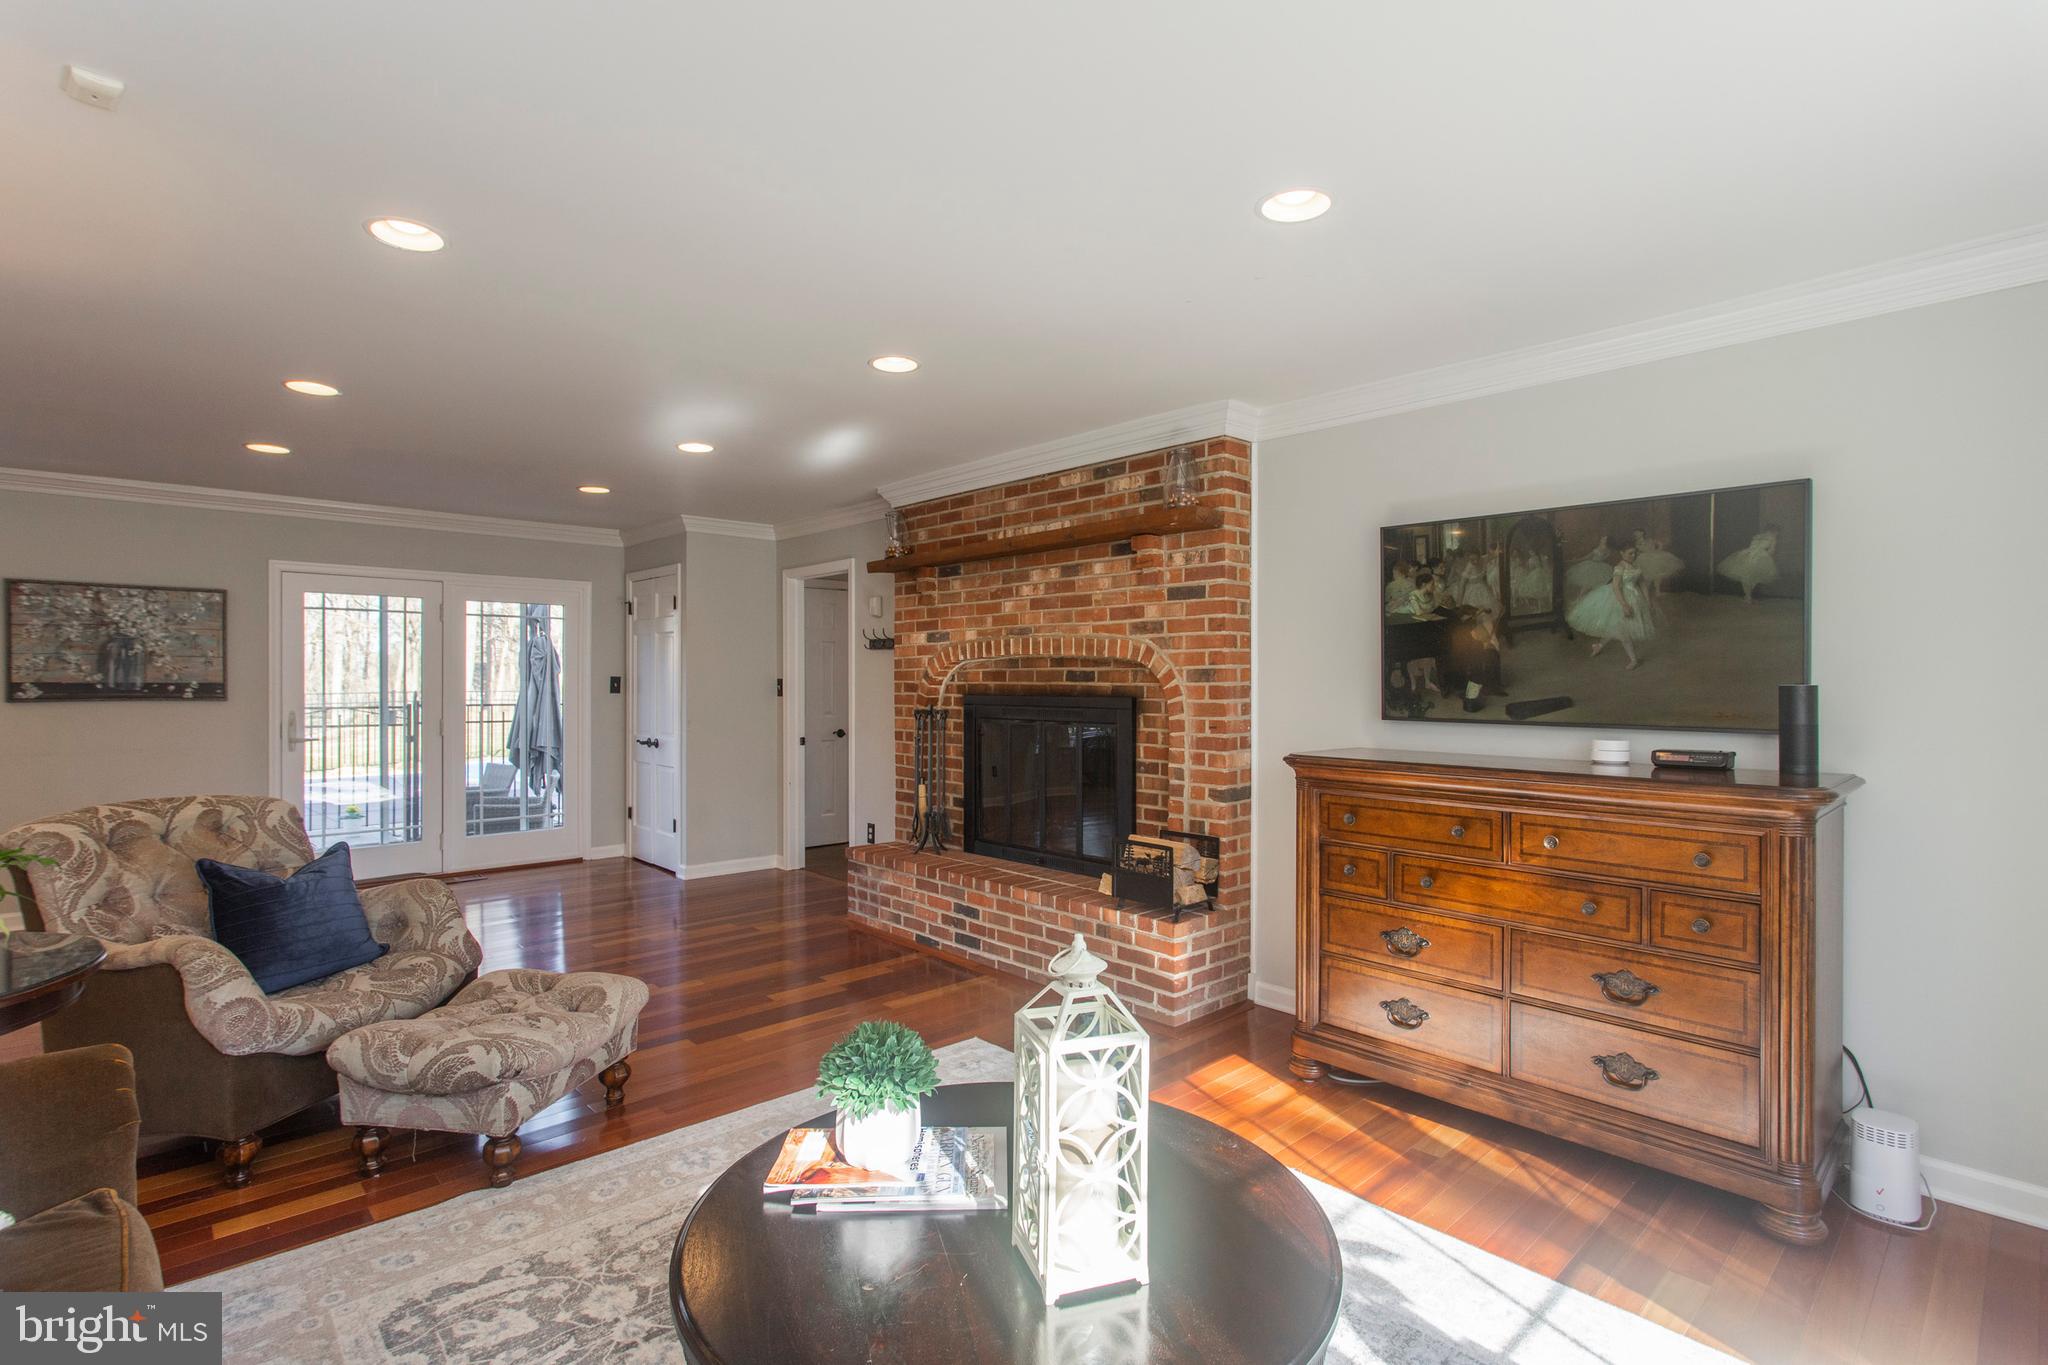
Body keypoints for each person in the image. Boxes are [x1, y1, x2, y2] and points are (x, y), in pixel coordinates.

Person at [1565, 544, 1654, 669]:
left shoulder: (1636, 566)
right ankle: (1633, 660)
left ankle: (1599, 646)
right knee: (1623, 631)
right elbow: (1616, 587)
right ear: (1622, 553)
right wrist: (1624, 604)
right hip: (1619, 598)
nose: (1633, 556)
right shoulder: (1619, 567)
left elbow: (1642, 583)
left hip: (1635, 597)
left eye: (1635, 553)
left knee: (1617, 626)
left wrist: (1648, 600)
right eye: (1630, 553)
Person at [1717, 526, 1780, 603]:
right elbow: (1771, 551)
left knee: (1746, 575)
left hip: (1748, 554)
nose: (1777, 534)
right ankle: (1748, 597)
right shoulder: (1773, 538)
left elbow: (1752, 546)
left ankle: (1748, 596)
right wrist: (1768, 557)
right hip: (1760, 556)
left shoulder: (1758, 536)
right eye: (1777, 532)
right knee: (1754, 576)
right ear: (1775, 531)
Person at [1564, 534, 1614, 600]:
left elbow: (1587, 557)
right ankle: (1582, 598)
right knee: (1591, 584)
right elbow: (1603, 557)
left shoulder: (1601, 548)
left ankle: (1580, 598)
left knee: (1587, 583)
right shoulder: (1608, 549)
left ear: (1605, 541)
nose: (1601, 539)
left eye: (1604, 539)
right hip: (1601, 566)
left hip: (1593, 565)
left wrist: (1573, 561)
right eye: (1602, 538)